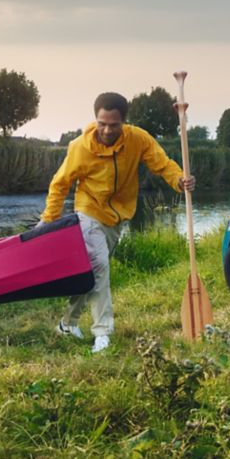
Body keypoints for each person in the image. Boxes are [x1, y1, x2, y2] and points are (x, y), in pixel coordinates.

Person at [41, 91, 194, 353]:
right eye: (102, 123)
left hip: (119, 215)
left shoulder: (138, 139)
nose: (107, 130)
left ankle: (67, 324)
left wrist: (180, 181)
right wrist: (48, 220)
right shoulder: (80, 147)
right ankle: (103, 333)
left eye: (113, 124)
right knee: (99, 267)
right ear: (95, 118)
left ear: (124, 121)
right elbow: (60, 184)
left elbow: (162, 164)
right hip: (89, 211)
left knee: (90, 272)